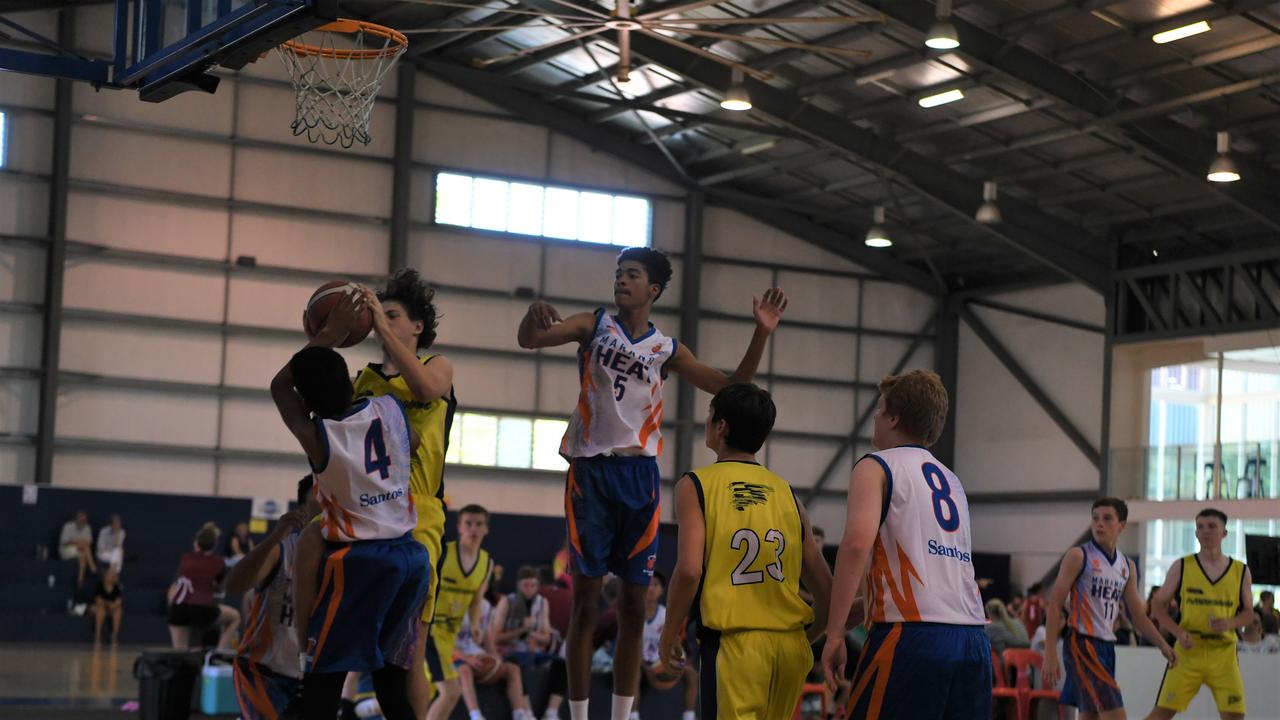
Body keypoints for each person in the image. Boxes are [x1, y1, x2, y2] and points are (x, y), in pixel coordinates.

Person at [516, 246, 788, 720]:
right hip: (591, 472)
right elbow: (531, 340)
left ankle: (623, 716)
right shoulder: (592, 324)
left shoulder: (667, 348)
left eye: (633, 274)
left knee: (633, 606)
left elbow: (731, 389)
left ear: (654, 289)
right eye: (619, 273)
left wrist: (760, 334)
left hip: (639, 476)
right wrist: (530, 317)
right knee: (584, 605)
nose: (622, 280)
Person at [270, 339, 429, 720]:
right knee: (392, 689)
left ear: (307, 404)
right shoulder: (388, 407)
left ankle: (306, 654)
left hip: (362, 562)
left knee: (322, 688)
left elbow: (279, 388)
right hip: (411, 559)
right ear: (349, 379)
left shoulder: (320, 435)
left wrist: (325, 334)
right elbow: (417, 441)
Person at [821, 370, 991, 719]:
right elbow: (919, 575)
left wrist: (835, 633)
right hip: (973, 640)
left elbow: (854, 546)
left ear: (894, 418)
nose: (875, 416)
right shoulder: (951, 479)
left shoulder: (876, 466)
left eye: (880, 409)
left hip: (911, 638)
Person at [660, 383, 832, 719]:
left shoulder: (696, 484)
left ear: (721, 426)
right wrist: (806, 637)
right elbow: (826, 591)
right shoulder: (789, 495)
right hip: (789, 650)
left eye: (710, 415)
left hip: (735, 647)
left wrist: (668, 634)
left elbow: (690, 570)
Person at [344, 270, 457, 718]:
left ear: (417, 327)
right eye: (378, 315)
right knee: (357, 638)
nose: (381, 322)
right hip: (368, 513)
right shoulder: (362, 382)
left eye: (392, 315)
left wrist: (382, 328)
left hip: (419, 516)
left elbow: (427, 389)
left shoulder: (438, 368)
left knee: (410, 649)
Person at [1041, 498, 1177, 720]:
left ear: (1121, 525)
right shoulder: (1078, 556)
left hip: (1106, 647)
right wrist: (1049, 652)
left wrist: (1163, 644)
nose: (1099, 524)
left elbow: (1138, 615)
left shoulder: (1127, 566)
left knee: (1090, 715)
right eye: (1095, 518)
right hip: (1082, 644)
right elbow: (1055, 605)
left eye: (1106, 519)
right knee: (1115, 714)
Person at [1143, 508, 1254, 720]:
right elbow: (1157, 605)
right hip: (1188, 650)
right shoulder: (1182, 566)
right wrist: (1177, 632)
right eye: (1200, 527)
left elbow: (1249, 614)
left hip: (1223, 653)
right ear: (1195, 533)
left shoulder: (1240, 571)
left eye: (1212, 526)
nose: (1205, 531)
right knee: (1161, 714)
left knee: (1235, 716)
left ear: (1224, 533)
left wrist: (1231, 622)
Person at [426, 505, 534, 720]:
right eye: (468, 523)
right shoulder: (443, 553)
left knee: (431, 694)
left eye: (479, 524)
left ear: (487, 529)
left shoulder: (486, 563)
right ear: (459, 527)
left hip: (450, 637)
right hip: (430, 632)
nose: (473, 529)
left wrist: (474, 624)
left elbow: (476, 601)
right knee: (449, 691)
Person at [223, 476, 319, 720]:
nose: (326, 508)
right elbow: (232, 586)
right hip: (263, 671)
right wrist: (274, 537)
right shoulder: (282, 550)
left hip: (311, 676)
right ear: (302, 511)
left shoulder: (341, 558)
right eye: (318, 500)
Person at [167, 522, 240, 650]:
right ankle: (218, 652)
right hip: (203, 609)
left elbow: (177, 585)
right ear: (214, 544)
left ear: (196, 543)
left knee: (179, 651)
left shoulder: (186, 558)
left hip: (178, 608)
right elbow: (220, 587)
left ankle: (181, 663)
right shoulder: (218, 562)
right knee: (235, 617)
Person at [636, 572, 696, 720]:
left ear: (662, 590)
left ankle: (689, 716)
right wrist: (646, 668)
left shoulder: (667, 616)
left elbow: (679, 646)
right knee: (633, 672)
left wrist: (678, 664)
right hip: (641, 664)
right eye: (648, 584)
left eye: (655, 584)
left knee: (691, 673)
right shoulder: (633, 614)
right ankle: (632, 715)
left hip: (662, 663)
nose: (650, 588)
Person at [59, 510, 97, 587]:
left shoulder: (87, 528)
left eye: (84, 520)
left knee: (83, 553)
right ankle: (92, 566)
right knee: (84, 549)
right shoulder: (68, 526)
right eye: (81, 520)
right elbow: (64, 542)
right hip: (66, 550)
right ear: (76, 519)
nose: (83, 522)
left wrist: (79, 544)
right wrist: (78, 542)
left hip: (81, 550)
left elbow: (89, 542)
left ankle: (80, 579)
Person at [93, 566, 123, 645]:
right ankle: (98, 636)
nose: (112, 576)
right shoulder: (99, 585)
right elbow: (98, 600)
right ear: (105, 576)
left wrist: (113, 606)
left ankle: (114, 636)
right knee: (100, 610)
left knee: (118, 611)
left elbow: (118, 601)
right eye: (111, 575)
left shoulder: (117, 587)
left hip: (112, 609)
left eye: (114, 575)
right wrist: (108, 603)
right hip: (101, 607)